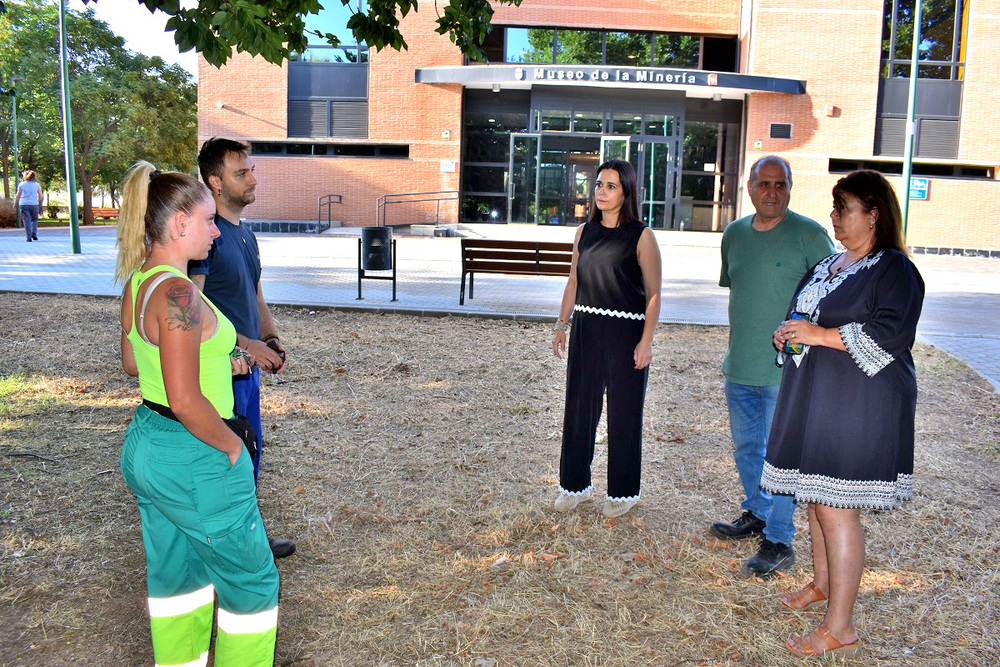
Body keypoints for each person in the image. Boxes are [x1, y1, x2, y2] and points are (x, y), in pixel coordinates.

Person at [115, 161, 280, 666]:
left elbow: (134, 361)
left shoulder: (141, 281)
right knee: (252, 585)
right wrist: (232, 447)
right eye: (209, 221)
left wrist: (218, 360)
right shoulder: (182, 292)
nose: (216, 232)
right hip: (195, 454)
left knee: (178, 578)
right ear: (178, 223)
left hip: (148, 445)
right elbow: (186, 401)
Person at [763, 170, 924, 656]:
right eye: (834, 208)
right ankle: (823, 583)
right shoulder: (830, 265)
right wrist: (790, 332)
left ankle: (840, 629)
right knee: (817, 498)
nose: (833, 217)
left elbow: (889, 335)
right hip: (819, 398)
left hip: (861, 405)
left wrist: (816, 335)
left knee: (836, 509)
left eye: (843, 208)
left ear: (873, 215)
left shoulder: (893, 269)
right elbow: (808, 318)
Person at [712, 156, 834, 577]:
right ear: (748, 187)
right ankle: (758, 514)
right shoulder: (734, 235)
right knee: (747, 450)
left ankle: (780, 539)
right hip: (740, 366)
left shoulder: (810, 235)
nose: (771, 192)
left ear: (790, 188)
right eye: (764, 184)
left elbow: (835, 296)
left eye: (780, 185)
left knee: (780, 458)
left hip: (787, 374)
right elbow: (740, 289)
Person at [190, 137, 295, 559]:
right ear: (215, 181)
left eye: (250, 170)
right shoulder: (207, 236)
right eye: (241, 172)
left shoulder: (245, 235)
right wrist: (244, 345)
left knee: (249, 456)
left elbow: (254, 293)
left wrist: (268, 337)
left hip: (246, 372)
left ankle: (245, 536)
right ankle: (228, 547)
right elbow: (192, 309)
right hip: (219, 375)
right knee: (226, 463)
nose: (252, 178)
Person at [551, 159, 662, 519]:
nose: (601, 191)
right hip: (586, 330)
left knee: (624, 413)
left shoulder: (642, 236)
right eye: (599, 184)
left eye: (611, 185)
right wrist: (561, 324)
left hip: (626, 334)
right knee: (579, 409)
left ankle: (623, 491)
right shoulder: (584, 232)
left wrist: (646, 341)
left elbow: (654, 294)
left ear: (626, 191)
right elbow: (573, 281)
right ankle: (574, 486)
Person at [14, 170, 43, 242]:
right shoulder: (36, 185)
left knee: (26, 220)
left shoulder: (21, 184)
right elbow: (41, 196)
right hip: (34, 204)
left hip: (24, 204)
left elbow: (18, 195)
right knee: (34, 219)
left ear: (25, 176)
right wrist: (40, 203)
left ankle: (28, 237)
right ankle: (34, 233)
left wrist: (15, 203)